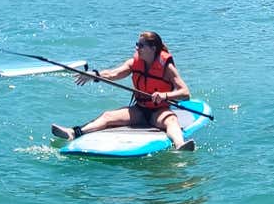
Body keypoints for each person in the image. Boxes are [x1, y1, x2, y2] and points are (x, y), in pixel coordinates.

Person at [51, 31, 196, 151]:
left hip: (159, 112)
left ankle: (180, 145)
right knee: (107, 116)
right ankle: (73, 133)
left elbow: (185, 93)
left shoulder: (166, 67)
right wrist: (94, 75)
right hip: (139, 110)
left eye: (141, 45)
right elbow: (114, 74)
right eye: (136, 45)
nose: (137, 48)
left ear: (153, 48)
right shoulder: (134, 63)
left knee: (171, 120)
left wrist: (164, 95)